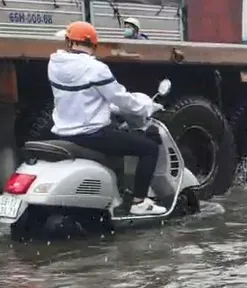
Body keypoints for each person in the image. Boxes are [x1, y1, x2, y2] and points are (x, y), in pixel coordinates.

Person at [48, 21, 166, 215]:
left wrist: (108, 106)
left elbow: (80, 95)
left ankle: (118, 193)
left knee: (119, 142)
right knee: (149, 148)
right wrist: (146, 107)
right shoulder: (96, 68)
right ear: (94, 45)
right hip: (92, 134)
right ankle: (139, 202)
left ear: (69, 42)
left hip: (63, 132)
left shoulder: (54, 64)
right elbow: (121, 98)